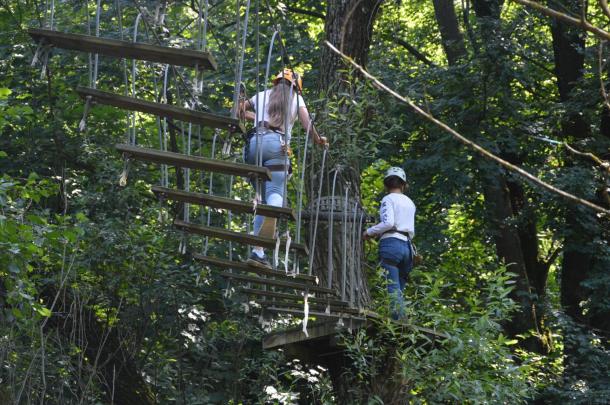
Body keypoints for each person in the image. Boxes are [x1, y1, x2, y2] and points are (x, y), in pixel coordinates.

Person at [239, 68, 328, 269]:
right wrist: (318, 140)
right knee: (276, 192)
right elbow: (307, 124)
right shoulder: (297, 99)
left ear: (276, 81)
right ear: (297, 87)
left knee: (262, 198)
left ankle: (257, 252)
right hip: (276, 145)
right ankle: (274, 211)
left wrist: (259, 120)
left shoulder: (261, 95)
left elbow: (239, 110)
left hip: (254, 145)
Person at [363, 167, 416, 320]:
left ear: (386, 185)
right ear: (404, 185)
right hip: (408, 248)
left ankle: (399, 322)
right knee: (399, 288)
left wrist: (369, 232)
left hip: (392, 245)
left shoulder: (388, 199)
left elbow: (389, 223)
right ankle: (401, 318)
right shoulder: (410, 202)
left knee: (392, 287)